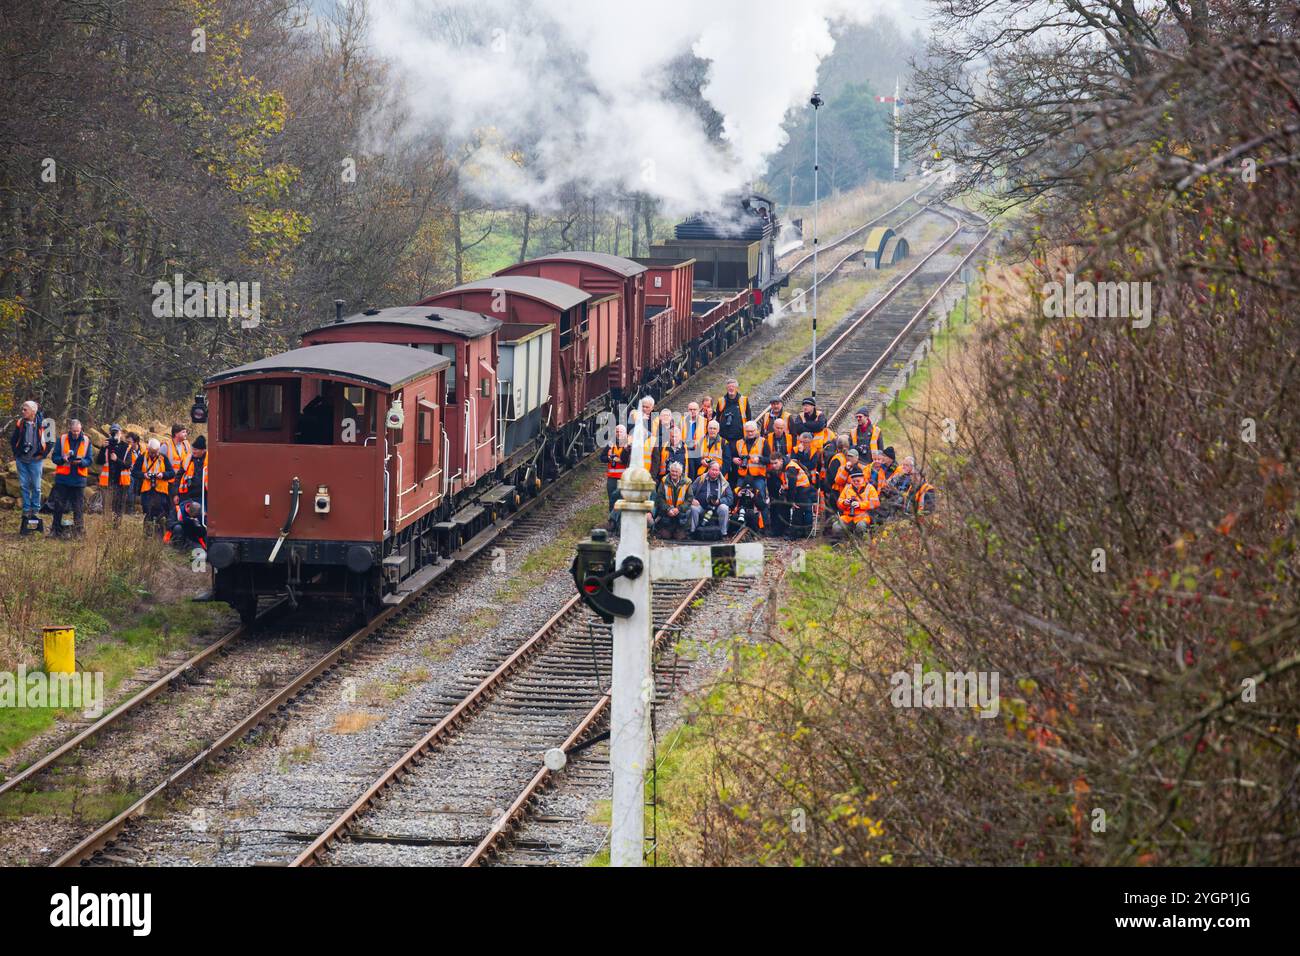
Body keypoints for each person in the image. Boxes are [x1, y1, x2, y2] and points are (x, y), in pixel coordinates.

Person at [10, 400, 50, 533]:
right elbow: (13, 440)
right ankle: (26, 510)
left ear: (33, 411)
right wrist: (16, 454)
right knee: (24, 485)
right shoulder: (20, 423)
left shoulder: (47, 423)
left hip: (36, 460)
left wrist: (42, 455)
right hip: (22, 460)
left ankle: (35, 510)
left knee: (37, 487)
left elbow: (51, 442)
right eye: (22, 409)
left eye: (25, 409)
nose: (22, 412)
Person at [49, 419, 93, 538]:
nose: (76, 434)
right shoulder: (62, 439)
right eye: (74, 431)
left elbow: (90, 460)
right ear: (70, 429)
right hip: (63, 478)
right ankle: (55, 530)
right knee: (58, 505)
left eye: (78, 431)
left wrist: (81, 462)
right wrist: (63, 459)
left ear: (81, 429)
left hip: (79, 479)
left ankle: (78, 532)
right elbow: (54, 458)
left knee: (78, 507)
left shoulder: (87, 440)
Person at [731, 420, 769, 531]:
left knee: (760, 499)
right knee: (737, 498)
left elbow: (769, 459)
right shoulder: (739, 443)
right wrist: (735, 460)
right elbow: (733, 456)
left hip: (757, 476)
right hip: (743, 475)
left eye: (752, 431)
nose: (750, 433)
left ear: (756, 430)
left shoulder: (763, 441)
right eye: (748, 431)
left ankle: (764, 526)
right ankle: (736, 524)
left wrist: (760, 459)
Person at [133, 437, 175, 539]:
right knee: (148, 513)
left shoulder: (163, 458)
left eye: (156, 452)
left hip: (160, 491)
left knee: (160, 514)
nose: (154, 454)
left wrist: (162, 474)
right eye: (152, 452)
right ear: (148, 449)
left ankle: (159, 538)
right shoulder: (142, 457)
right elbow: (134, 472)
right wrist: (144, 475)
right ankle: (147, 537)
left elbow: (172, 473)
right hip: (146, 491)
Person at [95, 423, 133, 522]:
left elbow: (128, 464)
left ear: (121, 433)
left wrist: (117, 460)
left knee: (119, 508)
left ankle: (116, 529)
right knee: (107, 507)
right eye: (113, 432)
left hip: (121, 483)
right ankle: (106, 529)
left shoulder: (126, 447)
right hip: (108, 482)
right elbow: (99, 461)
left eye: (117, 432)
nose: (115, 434)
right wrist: (103, 448)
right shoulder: (106, 445)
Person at [690, 460, 733, 537]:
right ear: (709, 469)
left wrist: (719, 501)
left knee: (724, 508)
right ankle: (693, 532)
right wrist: (693, 499)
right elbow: (689, 492)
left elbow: (730, 499)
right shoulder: (700, 479)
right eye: (713, 470)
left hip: (716, 509)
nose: (714, 472)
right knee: (693, 508)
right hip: (701, 507)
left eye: (717, 470)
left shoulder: (724, 482)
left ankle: (723, 533)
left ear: (719, 471)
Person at [601, 425, 631, 532]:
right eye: (617, 431)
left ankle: (620, 523)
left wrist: (621, 459)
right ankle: (612, 522)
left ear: (625, 433)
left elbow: (627, 459)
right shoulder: (611, 444)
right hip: (612, 478)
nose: (619, 434)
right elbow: (602, 457)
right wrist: (609, 459)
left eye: (621, 432)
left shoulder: (628, 444)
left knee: (622, 500)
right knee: (612, 499)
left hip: (624, 479)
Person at [833, 468, 879, 536]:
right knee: (836, 526)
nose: (856, 483)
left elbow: (876, 503)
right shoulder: (847, 488)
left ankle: (861, 544)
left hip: (863, 516)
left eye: (858, 481)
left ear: (863, 479)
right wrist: (844, 503)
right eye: (853, 481)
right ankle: (842, 544)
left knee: (861, 526)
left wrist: (860, 505)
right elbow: (839, 503)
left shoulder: (870, 488)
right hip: (847, 516)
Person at [653, 460, 693, 540]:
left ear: (680, 473)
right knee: (665, 536)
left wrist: (678, 509)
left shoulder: (687, 482)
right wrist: (668, 509)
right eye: (672, 471)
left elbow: (689, 499)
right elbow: (660, 498)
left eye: (676, 472)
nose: (674, 473)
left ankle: (679, 531)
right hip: (667, 513)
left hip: (680, 513)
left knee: (679, 537)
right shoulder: (664, 481)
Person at [780, 454, 816, 538]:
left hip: (802, 490)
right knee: (804, 512)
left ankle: (793, 535)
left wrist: (791, 500)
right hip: (805, 490)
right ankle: (803, 532)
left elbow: (792, 485)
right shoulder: (794, 466)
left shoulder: (791, 468)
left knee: (797, 512)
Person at [715, 379, 749, 446]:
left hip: (739, 437)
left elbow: (748, 418)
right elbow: (717, 419)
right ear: (726, 388)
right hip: (724, 437)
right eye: (729, 387)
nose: (731, 388)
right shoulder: (721, 401)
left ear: (737, 388)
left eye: (733, 386)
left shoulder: (744, 400)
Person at [162, 424, 191, 496]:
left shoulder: (186, 444)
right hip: (170, 482)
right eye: (183, 432)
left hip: (183, 481)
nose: (186, 434)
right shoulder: (166, 446)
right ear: (176, 434)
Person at [122, 432, 143, 515]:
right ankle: (130, 509)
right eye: (127, 442)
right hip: (130, 474)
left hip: (141, 474)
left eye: (129, 442)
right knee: (131, 486)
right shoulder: (126, 450)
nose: (128, 444)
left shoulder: (142, 450)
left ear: (136, 442)